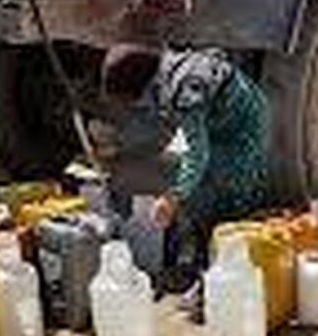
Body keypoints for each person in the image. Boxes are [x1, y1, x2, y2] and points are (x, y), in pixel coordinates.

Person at [100, 45, 272, 272]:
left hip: (243, 130)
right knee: (182, 173)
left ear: (143, 87)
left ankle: (214, 262)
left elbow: (198, 155)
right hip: (221, 119)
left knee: (216, 192)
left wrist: (173, 197)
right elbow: (161, 130)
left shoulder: (186, 93)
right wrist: (119, 149)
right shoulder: (167, 71)